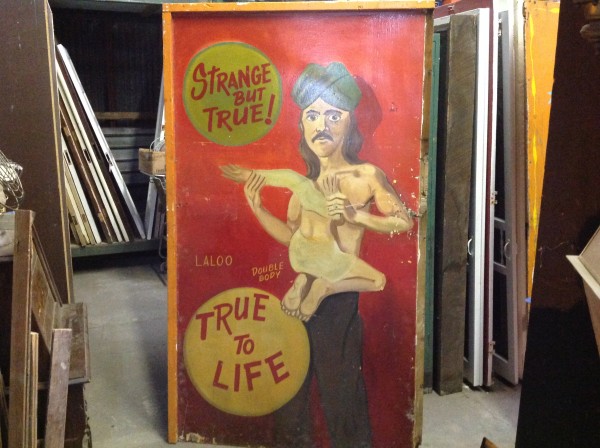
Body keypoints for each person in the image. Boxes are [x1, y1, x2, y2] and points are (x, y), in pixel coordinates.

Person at [227, 62, 413, 447]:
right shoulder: (304, 185)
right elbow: (292, 237)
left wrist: (355, 215)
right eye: (312, 116)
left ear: (350, 122)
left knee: (341, 397)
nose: (321, 125)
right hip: (301, 293)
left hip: (338, 304)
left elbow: (403, 221)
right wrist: (259, 210)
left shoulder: (366, 176)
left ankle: (321, 286)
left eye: (333, 115)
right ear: (302, 126)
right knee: (289, 392)